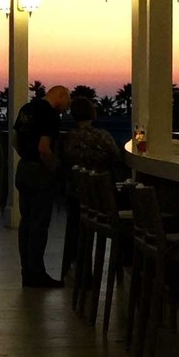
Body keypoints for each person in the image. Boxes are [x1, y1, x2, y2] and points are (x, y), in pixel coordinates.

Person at [59, 96, 125, 277]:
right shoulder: (102, 136)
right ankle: (122, 265)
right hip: (102, 197)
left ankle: (73, 265)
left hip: (75, 193)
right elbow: (117, 157)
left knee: (74, 223)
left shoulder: (68, 138)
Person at [12, 83, 69, 289]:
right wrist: (55, 169)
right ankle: (37, 273)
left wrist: (26, 158)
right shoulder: (50, 115)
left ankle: (27, 271)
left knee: (26, 223)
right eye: (67, 102)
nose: (66, 108)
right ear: (60, 95)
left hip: (24, 169)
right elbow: (44, 148)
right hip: (39, 173)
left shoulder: (26, 109)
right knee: (39, 224)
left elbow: (15, 139)